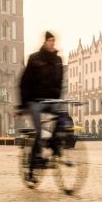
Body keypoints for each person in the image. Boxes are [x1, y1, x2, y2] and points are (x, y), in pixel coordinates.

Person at [18, 31, 64, 172]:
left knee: (61, 117)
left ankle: (53, 144)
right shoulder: (35, 59)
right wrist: (23, 104)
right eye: (49, 40)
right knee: (39, 130)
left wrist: (58, 98)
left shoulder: (58, 60)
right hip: (34, 101)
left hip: (51, 100)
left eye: (53, 41)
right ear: (45, 42)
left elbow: (60, 82)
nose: (52, 43)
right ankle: (34, 160)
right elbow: (24, 81)